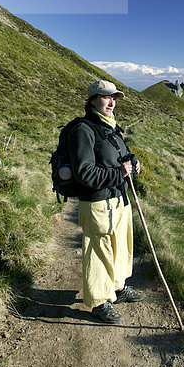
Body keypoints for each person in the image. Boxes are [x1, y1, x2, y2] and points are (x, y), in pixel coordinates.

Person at [68, 79, 145, 324]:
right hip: (97, 203)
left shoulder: (110, 127)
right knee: (99, 250)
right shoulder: (84, 130)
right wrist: (119, 173)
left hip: (119, 199)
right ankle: (100, 302)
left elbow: (121, 155)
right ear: (92, 100)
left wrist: (133, 164)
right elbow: (85, 172)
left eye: (114, 98)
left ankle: (118, 288)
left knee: (120, 246)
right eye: (105, 97)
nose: (112, 102)